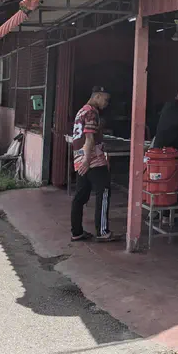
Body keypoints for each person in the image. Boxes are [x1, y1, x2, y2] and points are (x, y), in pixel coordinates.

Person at [70, 86, 115, 242]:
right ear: (97, 96)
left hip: (79, 157)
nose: (107, 103)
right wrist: (87, 161)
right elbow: (89, 139)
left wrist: (82, 160)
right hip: (92, 159)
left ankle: (76, 232)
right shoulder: (91, 112)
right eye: (105, 99)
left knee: (80, 196)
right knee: (104, 192)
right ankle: (102, 231)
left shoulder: (81, 111)